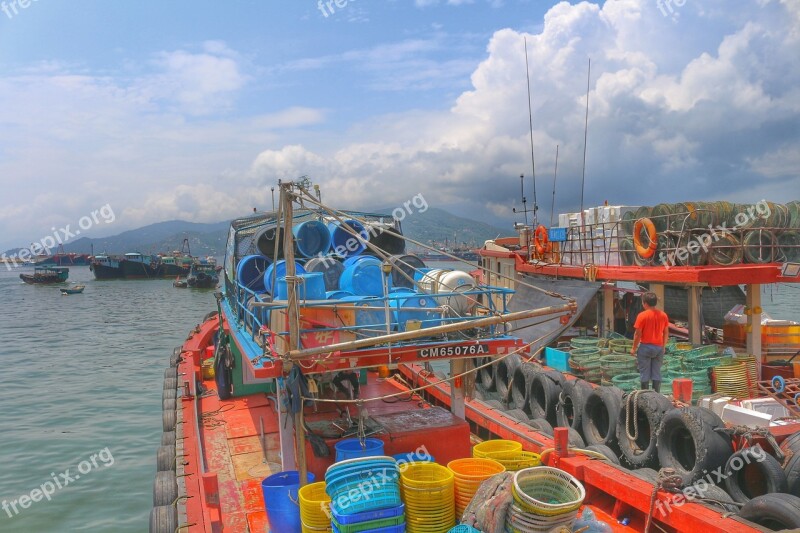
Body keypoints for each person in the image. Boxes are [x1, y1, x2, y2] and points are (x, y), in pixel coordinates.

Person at [630, 292, 669, 392]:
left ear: (645, 303)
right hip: (658, 348)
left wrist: (633, 349)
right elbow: (666, 333)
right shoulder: (663, 315)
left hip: (645, 347)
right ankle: (656, 396)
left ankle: (645, 395)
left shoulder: (642, 316)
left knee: (644, 373)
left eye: (642, 302)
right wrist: (663, 347)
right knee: (656, 373)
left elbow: (637, 334)